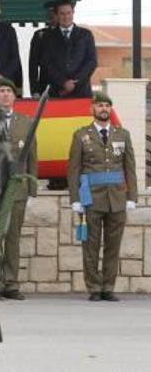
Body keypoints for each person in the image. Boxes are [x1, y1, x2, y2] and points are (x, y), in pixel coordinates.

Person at [68, 92, 136, 302]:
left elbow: (129, 167)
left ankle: (108, 286)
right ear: (92, 109)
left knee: (113, 245)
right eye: (99, 105)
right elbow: (74, 168)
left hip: (116, 197)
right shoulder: (81, 135)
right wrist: (75, 199)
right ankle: (94, 287)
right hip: (91, 198)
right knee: (91, 245)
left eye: (107, 105)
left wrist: (131, 196)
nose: (104, 109)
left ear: (110, 109)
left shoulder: (122, 134)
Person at [0, 78, 37, 301]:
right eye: (1, 91)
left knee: (12, 238)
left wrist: (32, 190)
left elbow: (32, 158)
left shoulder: (26, 122)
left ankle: (10, 283)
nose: (5, 95)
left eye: (9, 91)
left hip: (17, 189)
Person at [40, 0, 97, 99]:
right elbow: (46, 63)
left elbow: (91, 61)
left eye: (68, 13)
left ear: (73, 13)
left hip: (82, 92)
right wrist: (63, 82)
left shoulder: (86, 35)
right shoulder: (47, 37)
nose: (66, 17)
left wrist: (75, 82)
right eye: (62, 14)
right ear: (57, 15)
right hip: (57, 92)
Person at [27, 0, 58, 97]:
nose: (51, 16)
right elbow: (33, 65)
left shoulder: (71, 35)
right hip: (45, 86)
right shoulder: (40, 35)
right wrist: (34, 90)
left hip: (67, 87)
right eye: (49, 13)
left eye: (54, 13)